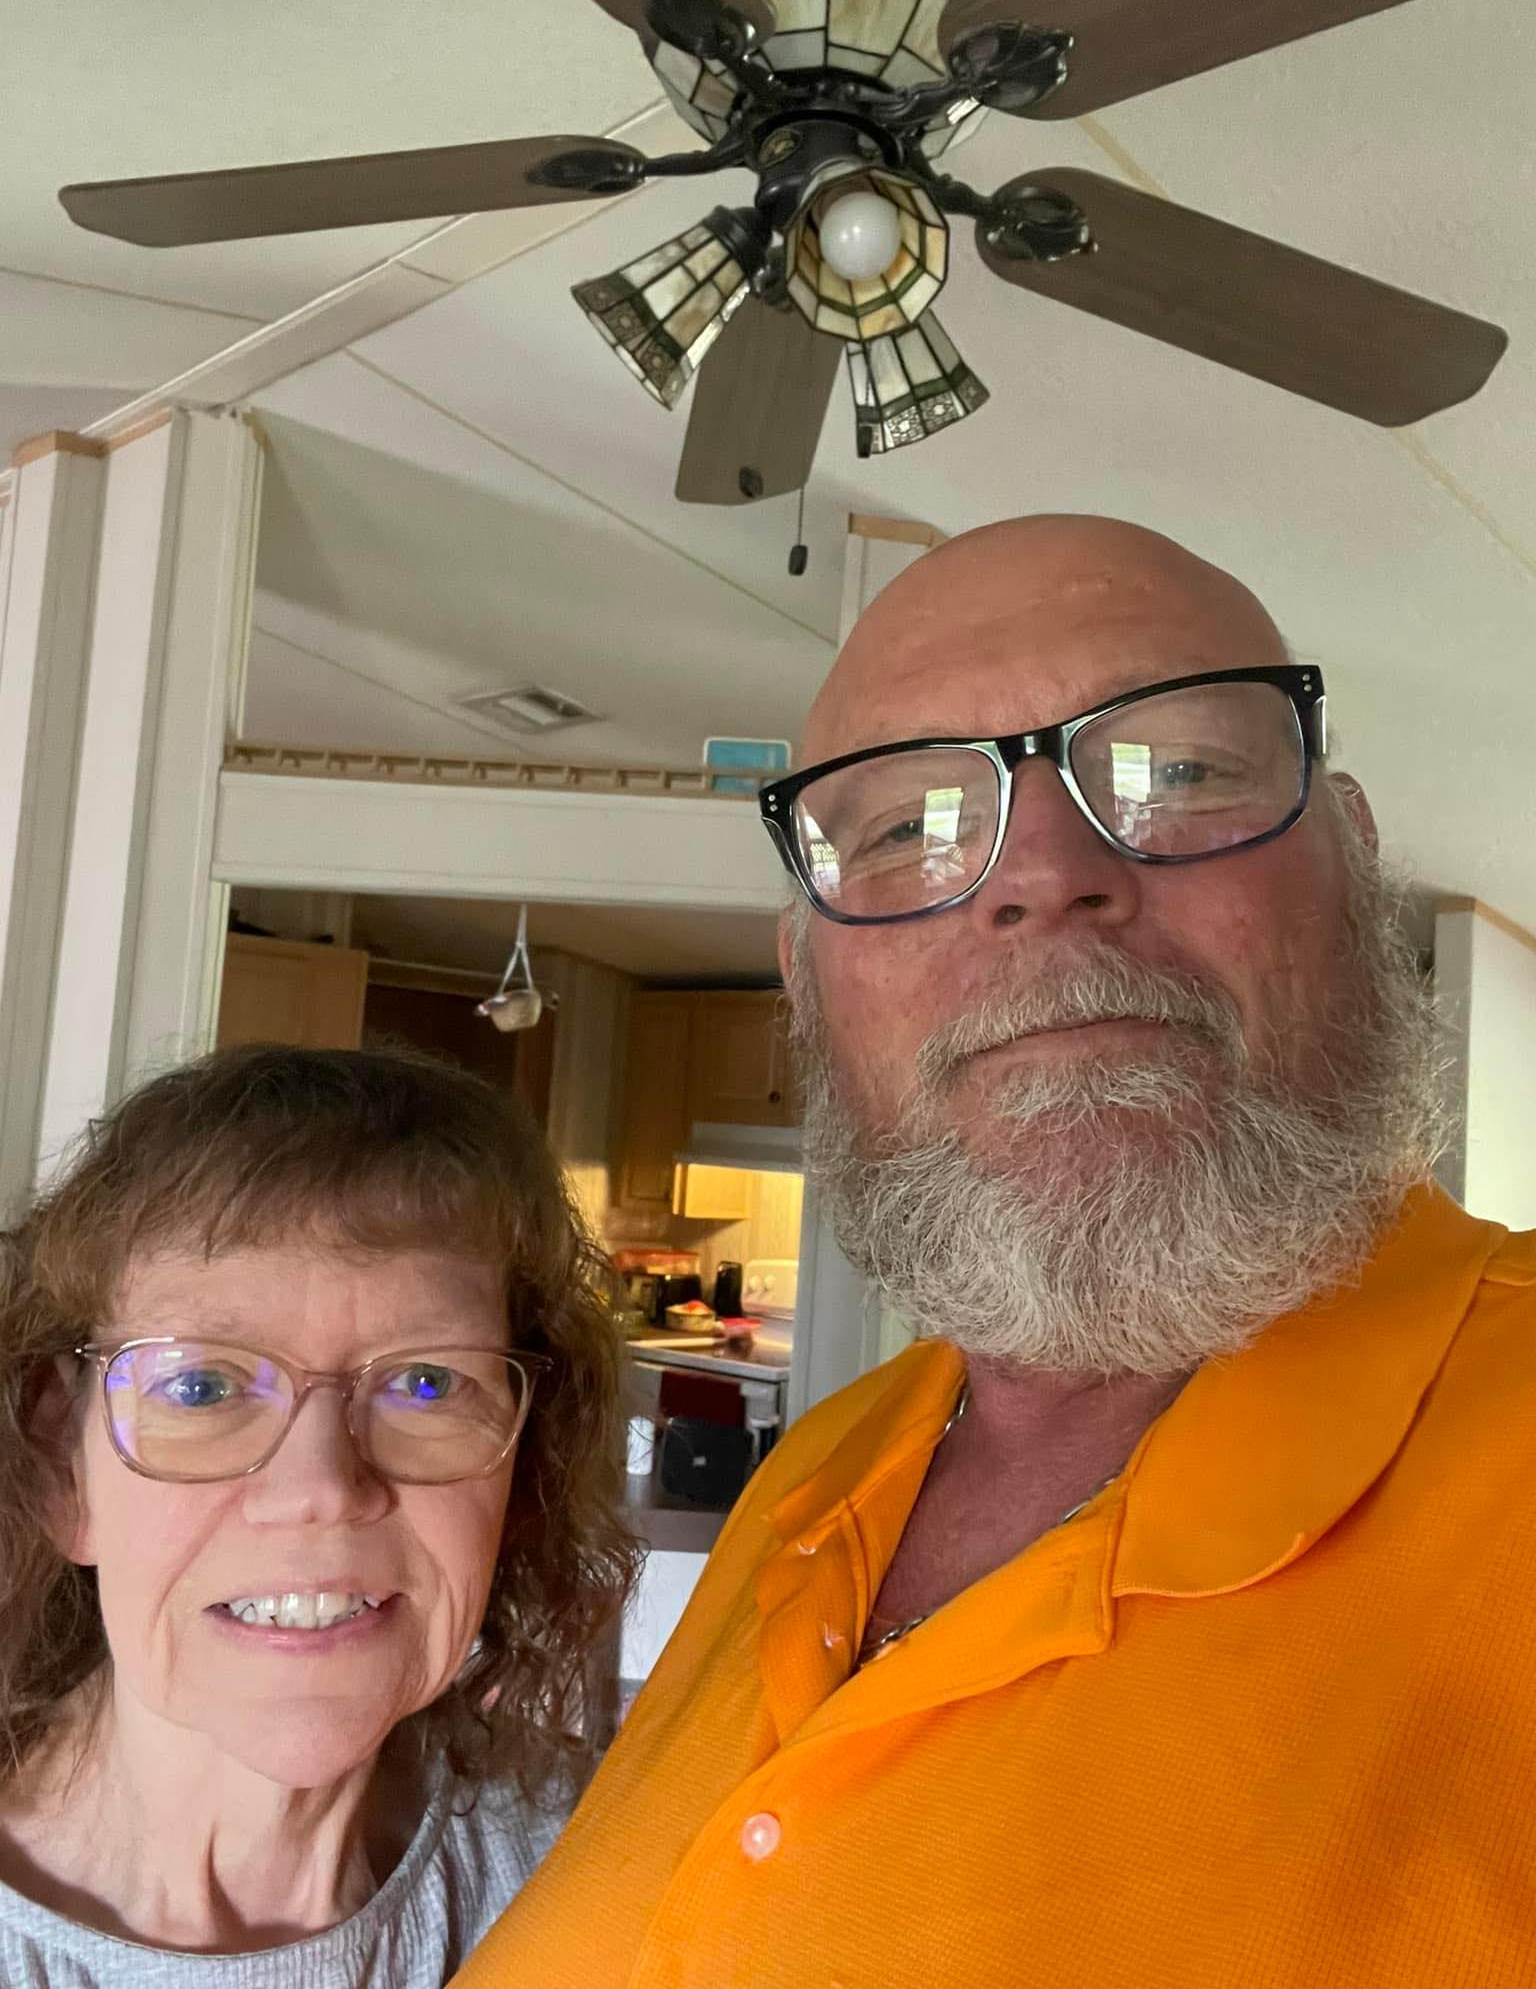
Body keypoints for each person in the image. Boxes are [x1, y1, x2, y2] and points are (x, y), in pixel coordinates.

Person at [455, 514, 1536, 1989]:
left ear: (1352, 862)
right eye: (909, 829)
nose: (1043, 874)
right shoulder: (817, 1476)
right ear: (807, 981)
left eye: (1177, 775)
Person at [0, 1042, 637, 1985]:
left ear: (521, 1466)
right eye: (203, 1385)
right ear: (65, 1467)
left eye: (426, 1383)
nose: (323, 1488)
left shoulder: (612, 1864)